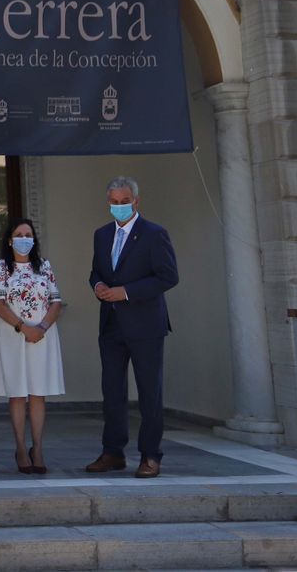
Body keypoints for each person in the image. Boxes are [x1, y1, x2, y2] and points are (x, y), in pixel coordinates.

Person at [87, 176, 179, 479]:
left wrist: (125, 292)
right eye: (114, 202)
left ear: (136, 202)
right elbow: (96, 271)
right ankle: (113, 452)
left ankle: (150, 456)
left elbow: (167, 277)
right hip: (111, 325)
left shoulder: (154, 234)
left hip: (146, 326)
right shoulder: (101, 235)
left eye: (124, 202)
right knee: (112, 392)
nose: (119, 207)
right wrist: (99, 284)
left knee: (149, 393)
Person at [0, 218, 65, 474]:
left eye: (28, 234)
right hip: (13, 335)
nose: (24, 238)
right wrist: (24, 328)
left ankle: (38, 448)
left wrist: (41, 328)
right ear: (10, 239)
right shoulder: (0, 267)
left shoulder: (44, 266)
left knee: (38, 393)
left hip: (42, 335)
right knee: (18, 392)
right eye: (19, 234)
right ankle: (21, 448)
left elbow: (55, 301)